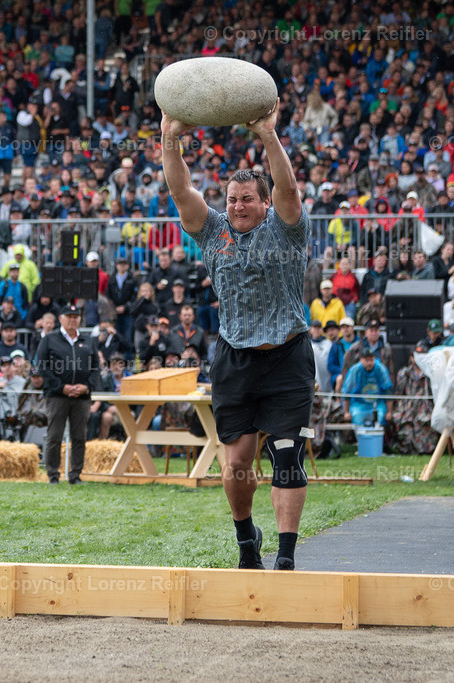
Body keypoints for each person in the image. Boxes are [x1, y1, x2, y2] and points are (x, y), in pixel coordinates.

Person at [162, 101, 314, 571]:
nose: (238, 206)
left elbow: (288, 188)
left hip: (288, 354)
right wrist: (170, 138)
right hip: (235, 359)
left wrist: (268, 134)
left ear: (264, 203)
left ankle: (285, 557)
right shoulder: (212, 231)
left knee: (287, 456)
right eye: (232, 199)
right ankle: (247, 538)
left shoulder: (287, 229)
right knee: (237, 464)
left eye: (247, 198)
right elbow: (181, 189)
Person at [35, 305, 102, 484]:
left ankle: (75, 475)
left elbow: (96, 367)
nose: (73, 319)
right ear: (61, 319)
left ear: (80, 319)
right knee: (54, 436)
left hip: (81, 397)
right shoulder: (49, 339)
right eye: (69, 316)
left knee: (79, 436)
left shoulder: (88, 341)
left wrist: (87, 387)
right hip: (57, 396)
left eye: (76, 316)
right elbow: (42, 366)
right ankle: (53, 475)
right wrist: (60, 387)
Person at [388, 345, 439, 455]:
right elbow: (399, 393)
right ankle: (407, 449)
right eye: (415, 356)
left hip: (425, 408)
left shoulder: (431, 373)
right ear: (411, 357)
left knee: (426, 423)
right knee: (404, 424)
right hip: (407, 408)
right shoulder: (404, 373)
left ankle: (425, 450)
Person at [342, 348, 392, 427]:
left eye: (371, 360)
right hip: (359, 404)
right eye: (366, 360)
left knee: (380, 417)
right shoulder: (354, 370)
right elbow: (346, 392)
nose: (369, 363)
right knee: (357, 417)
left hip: (377, 404)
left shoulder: (381, 369)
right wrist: (346, 412)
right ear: (361, 360)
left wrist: (389, 412)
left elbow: (388, 391)